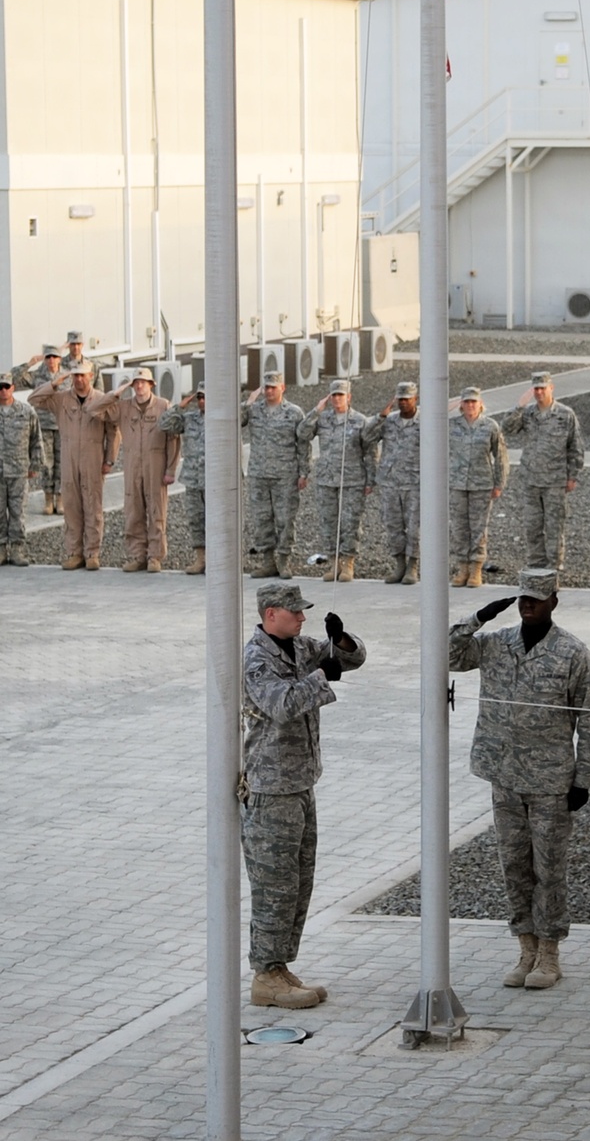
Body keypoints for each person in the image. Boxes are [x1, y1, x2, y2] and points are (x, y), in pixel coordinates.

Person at [449, 568, 590, 991]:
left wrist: (583, 780)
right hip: (504, 776)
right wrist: (476, 618)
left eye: (537, 599)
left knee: (549, 868)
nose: (528, 605)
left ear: (554, 600)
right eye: (523, 598)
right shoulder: (497, 645)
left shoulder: (573, 653)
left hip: (551, 781)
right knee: (514, 866)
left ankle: (550, 952)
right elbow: (446, 654)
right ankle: (526, 947)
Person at [241, 582, 366, 1009]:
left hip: (299, 783)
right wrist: (320, 678)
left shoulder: (297, 646)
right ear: (270, 613)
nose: (303, 618)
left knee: (297, 881)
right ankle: (265, 973)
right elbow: (281, 703)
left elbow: (352, 659)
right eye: (295, 612)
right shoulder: (258, 657)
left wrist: (341, 640)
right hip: (270, 790)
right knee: (274, 885)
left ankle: (278, 966)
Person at [86, 367, 180, 573]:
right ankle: (137, 555)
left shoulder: (164, 406)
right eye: (136, 382)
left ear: (151, 385)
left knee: (156, 511)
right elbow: (93, 410)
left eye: (143, 382)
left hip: (155, 465)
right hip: (132, 466)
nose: (139, 386)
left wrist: (171, 469)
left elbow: (173, 439)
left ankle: (155, 556)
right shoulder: (124, 407)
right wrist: (116, 392)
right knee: (133, 511)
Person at [29, 364, 120, 570]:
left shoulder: (100, 399)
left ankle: (92, 553)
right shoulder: (61, 399)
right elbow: (34, 399)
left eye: (83, 376)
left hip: (92, 459)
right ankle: (74, 553)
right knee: (71, 508)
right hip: (69, 461)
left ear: (91, 376)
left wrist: (109, 459)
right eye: (75, 376)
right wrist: (54, 383)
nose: (79, 380)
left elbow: (113, 429)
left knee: (93, 508)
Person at [501, 371, 584, 573]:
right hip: (531, 480)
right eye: (535, 389)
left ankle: (553, 568)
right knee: (532, 526)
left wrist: (572, 475)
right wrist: (519, 406)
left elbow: (576, 447)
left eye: (542, 388)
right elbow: (508, 428)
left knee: (555, 527)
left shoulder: (565, 414)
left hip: (555, 481)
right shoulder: (527, 414)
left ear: (551, 388)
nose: (539, 392)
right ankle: (536, 567)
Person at [297, 378, 376, 583]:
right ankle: (333, 562)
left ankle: (348, 563)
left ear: (348, 397)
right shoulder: (323, 419)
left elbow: (370, 452)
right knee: (328, 522)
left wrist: (370, 479)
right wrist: (316, 410)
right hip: (327, 479)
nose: (337, 399)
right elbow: (302, 433)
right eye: (334, 395)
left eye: (341, 395)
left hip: (353, 478)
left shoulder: (360, 421)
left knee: (350, 522)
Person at [241, 371, 309, 581]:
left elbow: (303, 444)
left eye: (273, 387)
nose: (269, 391)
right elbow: (236, 421)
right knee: (262, 519)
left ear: (282, 388)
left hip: (285, 475)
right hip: (259, 474)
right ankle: (267, 561)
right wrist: (249, 401)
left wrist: (304, 472)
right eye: (266, 387)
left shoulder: (294, 413)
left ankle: (284, 560)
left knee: (285, 519)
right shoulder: (254, 410)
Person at [449, 386, 509, 587]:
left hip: (481, 484)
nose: (470, 406)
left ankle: (476, 569)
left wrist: (499, 483)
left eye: (474, 402)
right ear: (461, 405)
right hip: (457, 483)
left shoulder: (490, 426)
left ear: (480, 404)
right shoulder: (451, 426)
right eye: (466, 402)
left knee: (479, 528)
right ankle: (462, 568)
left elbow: (500, 457)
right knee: (459, 528)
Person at [362, 380, 421, 584]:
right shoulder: (389, 421)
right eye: (400, 399)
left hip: (415, 483)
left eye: (407, 399)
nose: (403, 403)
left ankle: (413, 566)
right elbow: (366, 437)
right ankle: (399, 565)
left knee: (415, 527)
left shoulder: (425, 422)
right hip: (391, 482)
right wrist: (380, 416)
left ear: (416, 399)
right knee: (393, 526)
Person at [157, 384, 207, 575]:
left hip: (215, 481)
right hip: (193, 479)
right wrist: (180, 406)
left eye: (205, 397)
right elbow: (164, 424)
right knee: (196, 520)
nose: (202, 401)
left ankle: (217, 560)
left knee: (215, 522)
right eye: (199, 397)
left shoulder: (222, 419)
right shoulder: (189, 419)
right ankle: (201, 559)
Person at [11, 346, 63, 513]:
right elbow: (13, 378)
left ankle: (60, 499)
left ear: (60, 359)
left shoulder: (67, 376)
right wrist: (29, 363)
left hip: (63, 425)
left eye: (54, 357)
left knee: (62, 463)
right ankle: (48, 499)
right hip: (44, 426)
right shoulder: (38, 376)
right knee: (47, 463)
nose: (51, 360)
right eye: (48, 357)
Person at [0, 373, 43, 565]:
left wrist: (35, 464)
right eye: (0, 387)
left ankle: (17, 549)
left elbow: (36, 439)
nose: (3, 391)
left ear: (13, 388)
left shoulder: (26, 412)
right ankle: (1, 549)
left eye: (6, 387)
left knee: (18, 511)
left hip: (19, 471)